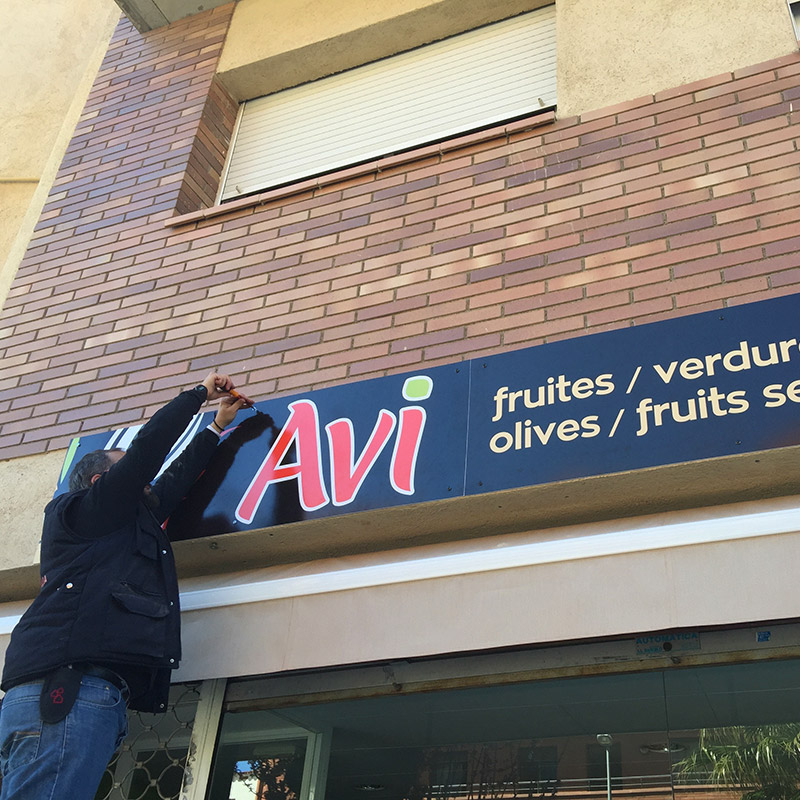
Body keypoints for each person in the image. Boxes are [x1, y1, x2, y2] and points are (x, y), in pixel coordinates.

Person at [0, 372, 252, 800]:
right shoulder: (85, 510)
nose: (147, 487)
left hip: (68, 691)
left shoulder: (112, 527)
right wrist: (198, 395)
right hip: (67, 691)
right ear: (102, 482)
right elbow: (147, 452)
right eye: (134, 480)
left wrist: (215, 428)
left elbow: (168, 489)